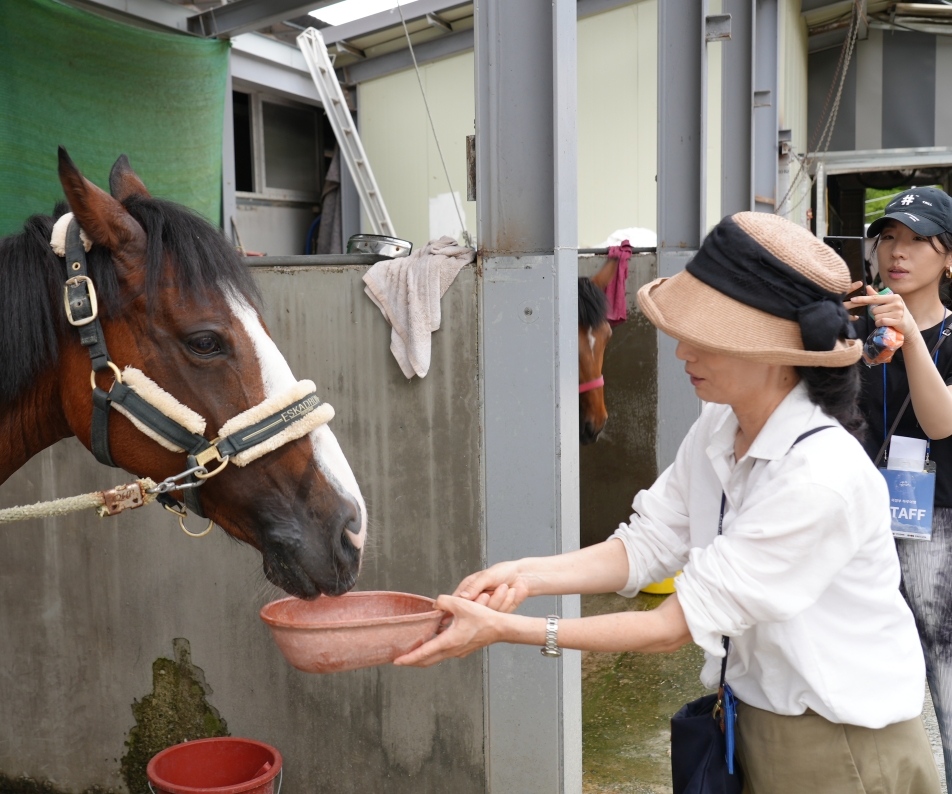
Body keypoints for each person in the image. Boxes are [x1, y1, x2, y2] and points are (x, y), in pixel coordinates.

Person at [396, 212, 939, 794]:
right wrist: (520, 575)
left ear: (778, 351)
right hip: (755, 719)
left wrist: (507, 629)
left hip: (844, 749)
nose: (682, 351)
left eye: (706, 337)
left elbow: (668, 628)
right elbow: (647, 544)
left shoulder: (821, 476)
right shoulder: (719, 424)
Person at [848, 186, 952, 789]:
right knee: (861, 669)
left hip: (937, 523)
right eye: (889, 237)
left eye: (917, 240)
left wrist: (910, 334)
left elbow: (940, 424)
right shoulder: (851, 330)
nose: (898, 251)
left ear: (948, 257)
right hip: (858, 520)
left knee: (944, 666)